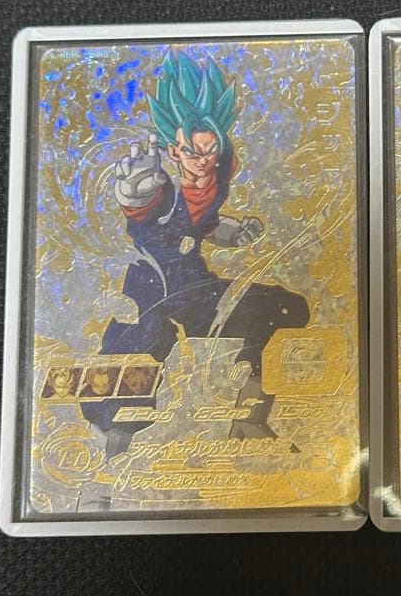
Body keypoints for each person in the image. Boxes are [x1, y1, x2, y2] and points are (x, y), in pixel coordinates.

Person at [80, 51, 309, 454]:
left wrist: (231, 232)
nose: (202, 162)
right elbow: (146, 214)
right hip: (152, 294)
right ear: (174, 151)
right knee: (141, 349)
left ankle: (249, 420)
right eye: (192, 153)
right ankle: (111, 442)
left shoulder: (216, 175)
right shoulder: (158, 186)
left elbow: (201, 225)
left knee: (283, 307)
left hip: (195, 292)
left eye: (210, 151)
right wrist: (135, 197)